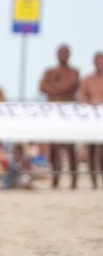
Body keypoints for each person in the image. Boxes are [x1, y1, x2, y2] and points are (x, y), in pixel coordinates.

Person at [38, 43, 80, 189]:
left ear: (69, 54)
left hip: (68, 114)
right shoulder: (49, 71)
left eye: (65, 52)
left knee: (69, 147)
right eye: (60, 52)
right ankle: (55, 179)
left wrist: (53, 87)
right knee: (54, 148)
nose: (62, 55)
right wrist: (59, 88)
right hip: (53, 113)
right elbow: (42, 87)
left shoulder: (74, 72)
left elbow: (70, 85)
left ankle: (74, 180)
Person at [78, 51, 103, 189]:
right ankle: (94, 182)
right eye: (97, 60)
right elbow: (81, 96)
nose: (100, 63)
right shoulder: (88, 79)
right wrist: (88, 102)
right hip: (92, 119)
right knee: (92, 150)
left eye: (102, 60)